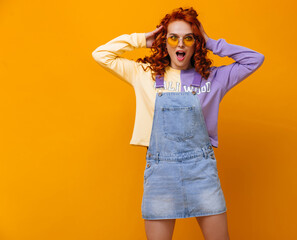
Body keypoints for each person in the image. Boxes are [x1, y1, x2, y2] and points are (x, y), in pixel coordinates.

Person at [92, 6, 264, 240]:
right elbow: (101, 54)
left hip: (201, 173)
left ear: (196, 43)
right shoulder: (144, 74)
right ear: (164, 42)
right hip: (160, 173)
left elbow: (254, 60)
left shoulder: (213, 78)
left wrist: (212, 42)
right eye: (173, 38)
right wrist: (143, 39)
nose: (180, 44)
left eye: (188, 38)